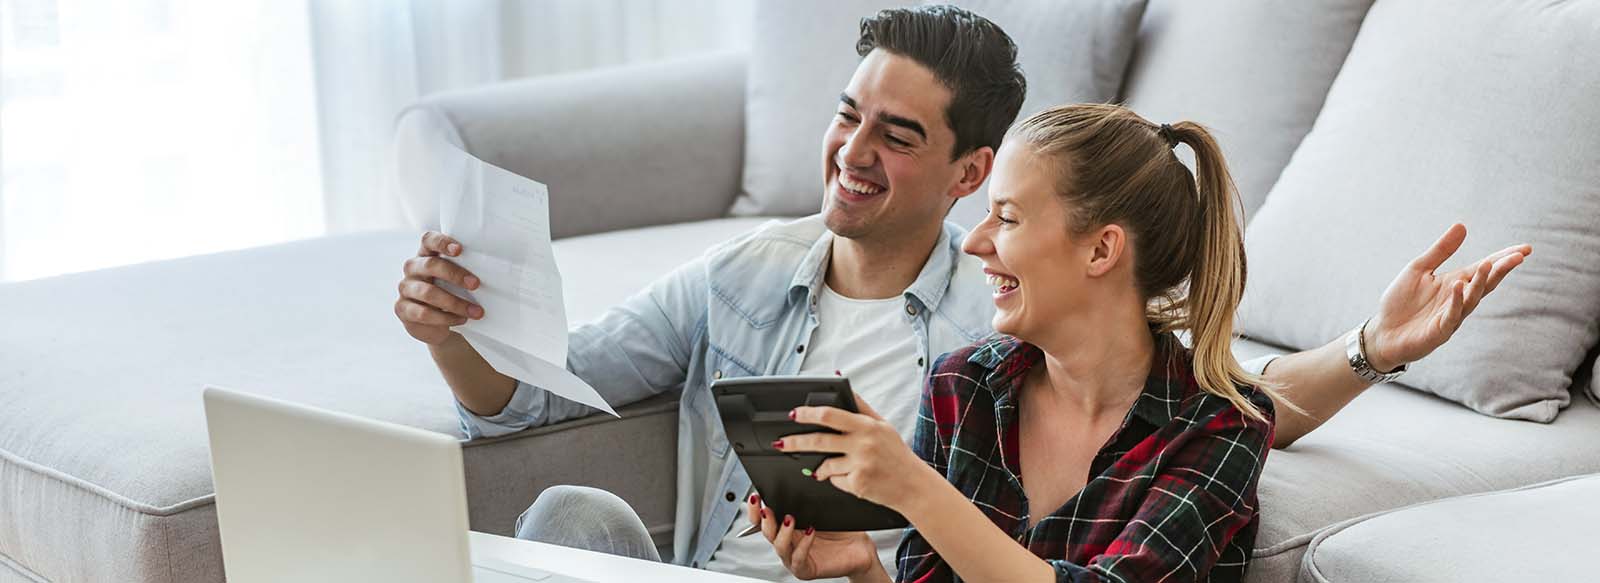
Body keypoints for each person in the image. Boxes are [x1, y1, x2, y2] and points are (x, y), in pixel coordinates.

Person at [391, 5, 1529, 581]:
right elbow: (542, 393)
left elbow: (1230, 401)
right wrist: (456, 334)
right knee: (565, 529)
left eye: (896, 135)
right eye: (847, 115)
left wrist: (1371, 349)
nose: (851, 150)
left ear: (973, 176)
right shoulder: (960, 376)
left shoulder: (1101, 376)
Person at [755, 103, 1272, 583]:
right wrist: (864, 568)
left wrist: (914, 488)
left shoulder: (1222, 424)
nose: (975, 242)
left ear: (1100, 249)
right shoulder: (962, 384)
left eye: (1006, 217)